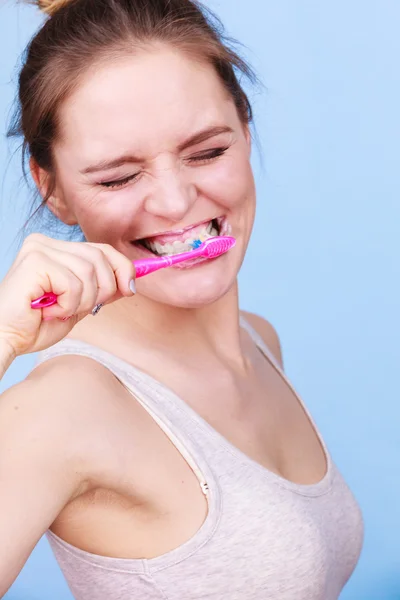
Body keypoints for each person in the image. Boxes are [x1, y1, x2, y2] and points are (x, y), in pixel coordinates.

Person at [0, 0, 364, 598]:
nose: (173, 202)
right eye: (118, 177)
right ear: (53, 189)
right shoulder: (63, 411)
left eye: (208, 151)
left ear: (246, 131)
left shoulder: (259, 339)